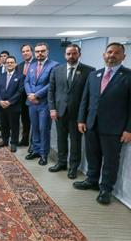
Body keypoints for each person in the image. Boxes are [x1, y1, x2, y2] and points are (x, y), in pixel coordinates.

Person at [75, 43, 131, 205]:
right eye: (109, 52)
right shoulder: (94, 75)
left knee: (111, 160)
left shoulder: (128, 76)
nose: (112, 55)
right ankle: (92, 180)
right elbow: (85, 99)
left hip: (114, 127)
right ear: (103, 54)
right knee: (92, 155)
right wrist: (81, 119)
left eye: (116, 53)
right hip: (92, 124)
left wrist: (129, 129)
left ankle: (106, 189)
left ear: (123, 57)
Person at [48, 44, 95, 179]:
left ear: (79, 54)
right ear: (65, 55)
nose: (71, 56)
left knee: (75, 142)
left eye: (74, 53)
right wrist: (52, 108)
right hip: (59, 112)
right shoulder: (57, 70)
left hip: (77, 114)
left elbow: (89, 95)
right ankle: (61, 162)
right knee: (61, 140)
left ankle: (73, 167)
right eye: (68, 54)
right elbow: (51, 91)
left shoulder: (89, 71)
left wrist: (83, 116)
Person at [24, 43, 59, 166]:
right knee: (35, 128)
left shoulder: (54, 65)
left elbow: (51, 84)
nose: (39, 53)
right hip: (32, 103)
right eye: (37, 51)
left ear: (47, 52)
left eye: (42, 51)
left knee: (44, 129)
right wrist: (30, 94)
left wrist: (37, 95)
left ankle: (44, 154)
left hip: (44, 103)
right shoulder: (32, 65)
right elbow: (27, 81)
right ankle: (36, 150)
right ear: (34, 53)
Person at [0, 56, 24, 152]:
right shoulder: (0, 76)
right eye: (8, 62)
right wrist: (0, 101)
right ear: (5, 64)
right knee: (4, 124)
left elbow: (20, 91)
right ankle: (5, 140)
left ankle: (14, 143)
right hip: (2, 105)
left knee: (14, 125)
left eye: (12, 62)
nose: (10, 64)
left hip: (14, 106)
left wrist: (9, 102)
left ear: (15, 64)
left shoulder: (20, 76)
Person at [16, 44, 34, 150]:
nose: (25, 53)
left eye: (27, 50)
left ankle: (34, 144)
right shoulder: (20, 65)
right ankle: (25, 139)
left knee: (36, 123)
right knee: (25, 120)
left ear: (32, 52)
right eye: (23, 51)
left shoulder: (38, 63)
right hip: (22, 98)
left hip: (35, 98)